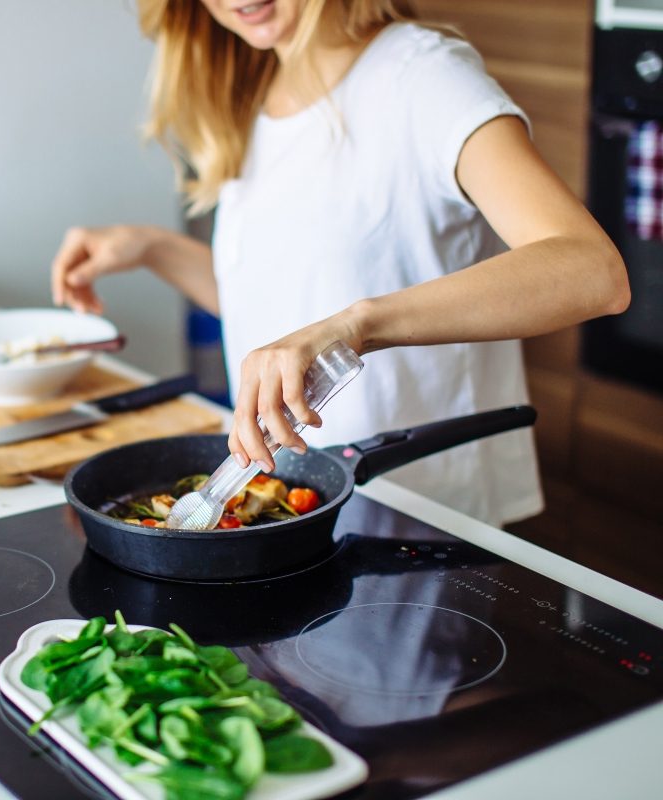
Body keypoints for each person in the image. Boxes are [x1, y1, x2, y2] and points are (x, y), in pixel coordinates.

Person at [49, 0, 630, 527]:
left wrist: (355, 328)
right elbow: (286, 307)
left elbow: (592, 272)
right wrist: (154, 247)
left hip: (413, 509)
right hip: (290, 507)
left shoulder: (424, 76)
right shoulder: (261, 89)